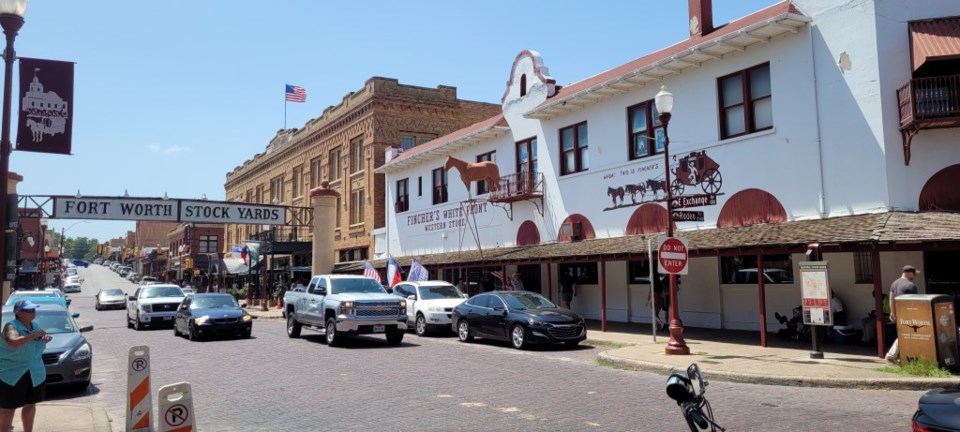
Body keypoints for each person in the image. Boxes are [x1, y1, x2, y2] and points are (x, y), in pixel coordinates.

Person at [0, 301, 52, 432]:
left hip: (35, 373)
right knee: (7, 409)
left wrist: (44, 337)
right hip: (12, 374)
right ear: (18, 312)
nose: (33, 312)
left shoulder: (34, 325)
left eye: (34, 309)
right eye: (29, 310)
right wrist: (35, 335)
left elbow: (35, 342)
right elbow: (14, 342)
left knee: (30, 405)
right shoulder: (10, 327)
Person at [885, 265, 920, 364]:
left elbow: (891, 298)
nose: (914, 276)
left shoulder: (894, 283)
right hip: (909, 314)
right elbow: (914, 302)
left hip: (899, 313)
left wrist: (892, 312)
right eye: (914, 274)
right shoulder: (911, 285)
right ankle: (892, 355)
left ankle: (897, 355)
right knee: (909, 334)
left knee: (903, 334)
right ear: (908, 273)